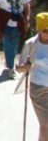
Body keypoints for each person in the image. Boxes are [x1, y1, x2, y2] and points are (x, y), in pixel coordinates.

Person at [16, 13, 48, 141]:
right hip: (39, 90)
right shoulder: (31, 44)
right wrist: (26, 66)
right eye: (46, 30)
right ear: (39, 30)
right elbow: (19, 68)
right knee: (46, 124)